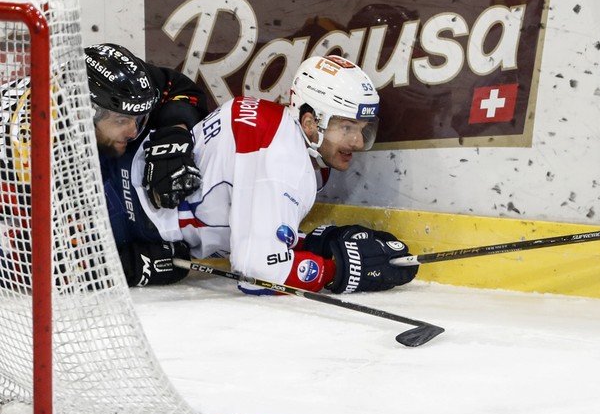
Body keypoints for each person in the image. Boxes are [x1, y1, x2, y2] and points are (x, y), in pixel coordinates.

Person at [117, 54, 418, 295]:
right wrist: (337, 269)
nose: (358, 142)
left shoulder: (273, 122)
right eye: (347, 128)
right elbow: (257, 272)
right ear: (310, 122)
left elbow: (245, 219)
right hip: (130, 217)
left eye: (364, 129)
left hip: (127, 171)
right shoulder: (286, 165)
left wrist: (318, 244)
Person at [84, 43, 209, 286]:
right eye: (122, 120)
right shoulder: (25, 155)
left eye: (139, 119)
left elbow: (178, 88)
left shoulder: (119, 82)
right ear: (87, 112)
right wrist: (127, 266)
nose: (133, 131)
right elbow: (25, 258)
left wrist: (174, 134)